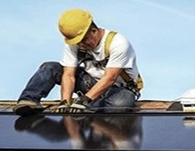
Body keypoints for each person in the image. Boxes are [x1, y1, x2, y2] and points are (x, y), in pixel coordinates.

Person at [14, 9, 143, 115]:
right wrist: (65, 102)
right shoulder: (75, 43)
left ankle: (92, 105)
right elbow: (69, 74)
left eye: (83, 40)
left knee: (119, 105)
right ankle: (28, 100)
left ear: (93, 31)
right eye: (77, 42)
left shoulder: (118, 43)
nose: (80, 45)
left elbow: (110, 78)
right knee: (50, 68)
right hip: (89, 83)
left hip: (118, 89)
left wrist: (85, 100)